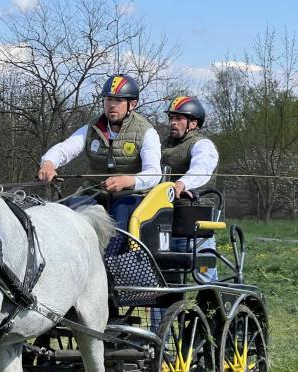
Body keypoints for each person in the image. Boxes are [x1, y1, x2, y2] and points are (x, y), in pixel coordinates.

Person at [37, 74, 162, 229]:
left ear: (132, 104)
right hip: (93, 193)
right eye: (108, 99)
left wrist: (127, 181)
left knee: (118, 221)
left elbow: (154, 173)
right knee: (67, 216)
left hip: (129, 196)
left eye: (118, 100)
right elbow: (64, 149)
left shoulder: (147, 132)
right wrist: (48, 164)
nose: (112, 105)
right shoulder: (92, 127)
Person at [162, 95, 219, 281]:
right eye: (171, 118)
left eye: (179, 118)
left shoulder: (202, 145)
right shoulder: (162, 147)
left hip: (195, 227)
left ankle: (210, 299)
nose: (173, 122)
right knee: (167, 281)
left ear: (193, 124)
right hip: (165, 224)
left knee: (204, 279)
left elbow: (201, 169)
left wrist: (182, 183)